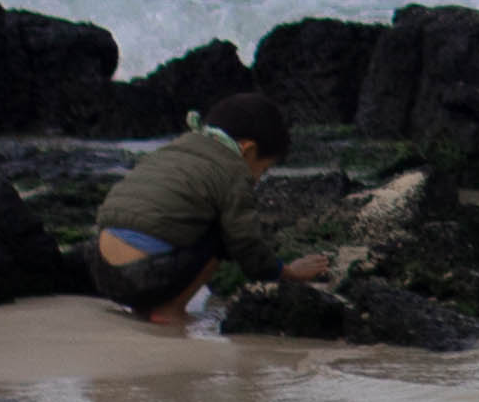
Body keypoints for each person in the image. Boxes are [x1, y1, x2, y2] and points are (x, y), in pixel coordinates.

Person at [87, 95, 339, 328]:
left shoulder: (177, 148)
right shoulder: (233, 171)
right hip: (146, 278)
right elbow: (246, 245)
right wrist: (288, 273)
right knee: (223, 231)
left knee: (175, 222)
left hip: (102, 271)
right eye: (263, 170)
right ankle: (170, 311)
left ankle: (144, 309)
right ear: (248, 150)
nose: (259, 179)